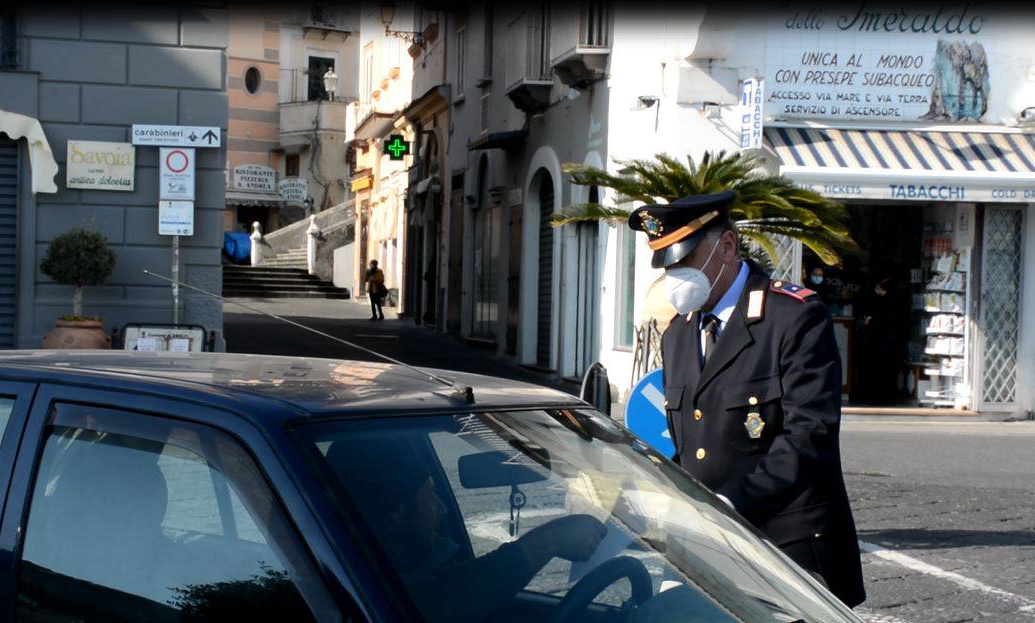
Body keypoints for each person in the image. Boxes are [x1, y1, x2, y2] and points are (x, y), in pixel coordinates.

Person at [630, 190, 865, 607]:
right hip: (711, 546)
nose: (675, 276)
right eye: (667, 265)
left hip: (786, 547)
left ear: (726, 246)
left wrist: (732, 503)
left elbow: (810, 435)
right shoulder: (679, 335)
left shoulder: (793, 316)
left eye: (684, 260)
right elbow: (690, 444)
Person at [325, 439, 607, 622]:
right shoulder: (350, 588)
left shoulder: (415, 562)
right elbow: (435, 604)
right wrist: (550, 540)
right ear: (398, 515)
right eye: (431, 497)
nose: (443, 509)